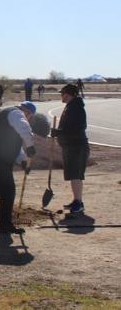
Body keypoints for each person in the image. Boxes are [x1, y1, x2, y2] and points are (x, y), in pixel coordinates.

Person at [0, 101, 38, 234]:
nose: (28, 119)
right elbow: (24, 127)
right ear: (27, 113)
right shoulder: (16, 113)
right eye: (30, 116)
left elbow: (13, 146)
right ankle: (5, 225)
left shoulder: (8, 117)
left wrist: (23, 162)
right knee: (8, 190)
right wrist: (31, 145)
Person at [51, 83, 89, 216]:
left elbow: (78, 128)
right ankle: (77, 201)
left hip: (77, 147)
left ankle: (78, 203)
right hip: (71, 147)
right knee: (73, 175)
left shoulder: (76, 108)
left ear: (70, 95)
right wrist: (60, 132)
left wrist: (59, 132)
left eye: (64, 93)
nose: (62, 95)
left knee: (76, 175)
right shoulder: (71, 106)